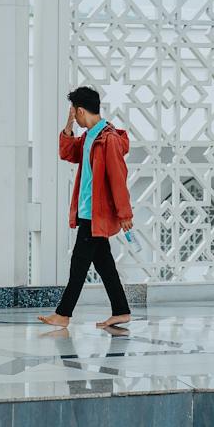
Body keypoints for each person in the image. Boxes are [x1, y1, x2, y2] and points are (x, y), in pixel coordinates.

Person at [39, 85, 133, 331]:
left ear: (81, 110)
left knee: (78, 265)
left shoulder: (108, 139)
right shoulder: (89, 136)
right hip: (87, 212)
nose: (74, 116)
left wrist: (125, 214)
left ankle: (63, 313)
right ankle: (121, 311)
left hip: (95, 213)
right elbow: (67, 152)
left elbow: (117, 177)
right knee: (104, 264)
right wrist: (68, 124)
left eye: (74, 112)